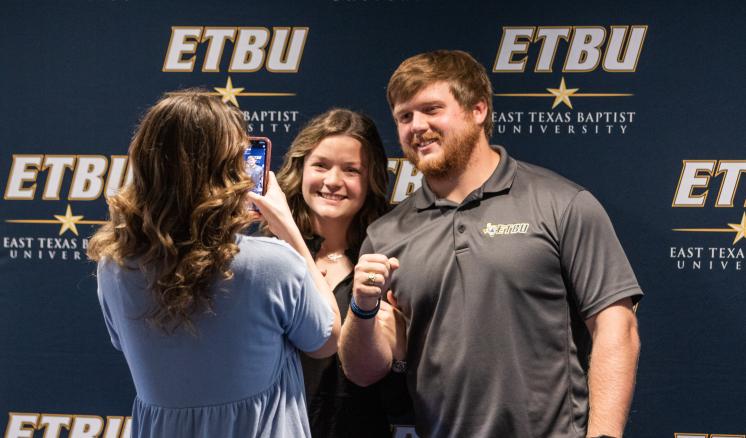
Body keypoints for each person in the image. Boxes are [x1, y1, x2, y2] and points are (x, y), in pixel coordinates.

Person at [339, 50, 642, 438]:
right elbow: (364, 372)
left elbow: (617, 327)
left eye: (432, 109)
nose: (417, 126)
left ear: (478, 109)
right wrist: (362, 310)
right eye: (404, 116)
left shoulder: (562, 204)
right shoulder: (386, 235)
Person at [88, 91, 340, 438]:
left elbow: (122, 341)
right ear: (227, 174)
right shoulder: (273, 264)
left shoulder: (114, 267)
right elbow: (327, 339)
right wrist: (291, 232)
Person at [248, 108, 412, 438]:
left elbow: (400, 402)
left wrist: (400, 350)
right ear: (300, 169)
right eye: (321, 165)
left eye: (351, 170)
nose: (333, 181)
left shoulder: (389, 259)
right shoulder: (265, 253)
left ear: (372, 180)